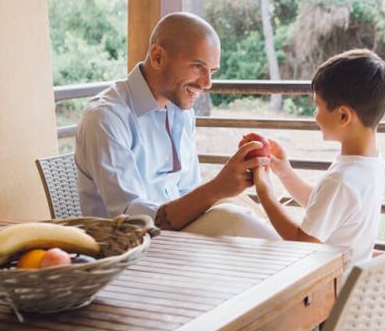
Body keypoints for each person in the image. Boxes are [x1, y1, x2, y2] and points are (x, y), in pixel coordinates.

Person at [253, 49, 385, 331]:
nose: (314, 116)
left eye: (317, 106)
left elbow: (303, 239)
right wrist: (285, 172)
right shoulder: (370, 165)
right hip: (346, 295)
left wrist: (266, 193)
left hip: (322, 309)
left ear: (343, 114)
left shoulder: (343, 178)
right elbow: (323, 207)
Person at [75, 12, 274, 237]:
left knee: (240, 204)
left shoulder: (180, 110)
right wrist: (217, 188)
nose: (207, 83)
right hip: (130, 248)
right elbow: (133, 223)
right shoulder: (106, 117)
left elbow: (187, 190)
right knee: (235, 220)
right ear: (158, 57)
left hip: (177, 235)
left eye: (212, 71)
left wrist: (228, 186)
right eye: (198, 66)